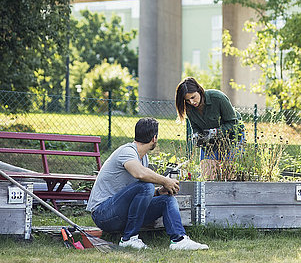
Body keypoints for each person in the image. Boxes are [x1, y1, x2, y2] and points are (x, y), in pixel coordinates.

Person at [86, 117, 208, 251]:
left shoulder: (143, 157)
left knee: (166, 200)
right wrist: (165, 180)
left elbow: (135, 193)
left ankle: (179, 240)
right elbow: (140, 174)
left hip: (120, 212)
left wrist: (158, 192)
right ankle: (129, 238)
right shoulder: (127, 151)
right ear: (154, 138)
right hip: (103, 214)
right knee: (146, 185)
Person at [175, 77, 245, 179]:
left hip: (232, 138)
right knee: (208, 175)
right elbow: (195, 127)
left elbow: (233, 123)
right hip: (209, 142)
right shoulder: (189, 107)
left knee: (229, 175)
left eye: (193, 97)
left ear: (199, 90)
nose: (192, 102)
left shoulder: (218, 97)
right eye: (187, 100)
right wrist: (197, 135)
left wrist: (215, 132)